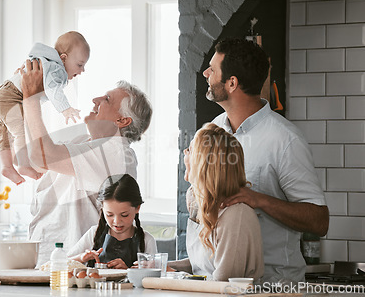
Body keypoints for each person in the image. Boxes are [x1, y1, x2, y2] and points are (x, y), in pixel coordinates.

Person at [203, 38, 329, 283]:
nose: (206, 73)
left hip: (274, 284)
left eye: (213, 69)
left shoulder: (285, 140)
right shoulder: (212, 131)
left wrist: (257, 199)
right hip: (220, 281)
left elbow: (319, 221)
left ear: (232, 83)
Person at [19, 59, 152, 266]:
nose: (95, 99)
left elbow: (41, 155)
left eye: (107, 99)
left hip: (74, 266)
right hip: (50, 261)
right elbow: (35, 159)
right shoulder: (83, 143)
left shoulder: (114, 152)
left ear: (122, 121)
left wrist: (30, 97)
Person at [0, 31, 90, 185]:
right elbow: (53, 90)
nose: (82, 71)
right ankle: (24, 165)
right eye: (79, 65)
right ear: (63, 58)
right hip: (13, 98)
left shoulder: (44, 61)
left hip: (0, 96)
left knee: (4, 135)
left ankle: (7, 166)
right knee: (21, 132)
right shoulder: (56, 69)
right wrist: (65, 109)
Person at [168, 123, 264, 281]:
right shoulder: (204, 205)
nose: (185, 154)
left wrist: (177, 275)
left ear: (203, 164)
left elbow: (223, 284)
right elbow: (202, 264)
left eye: (190, 150)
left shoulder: (236, 215)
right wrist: (157, 266)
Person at [68, 174, 157, 269]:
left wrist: (127, 271)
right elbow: (60, 263)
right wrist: (81, 258)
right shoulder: (93, 233)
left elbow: (153, 277)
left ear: (137, 208)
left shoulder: (146, 240)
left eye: (124, 215)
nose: (117, 221)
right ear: (102, 209)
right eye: (109, 215)